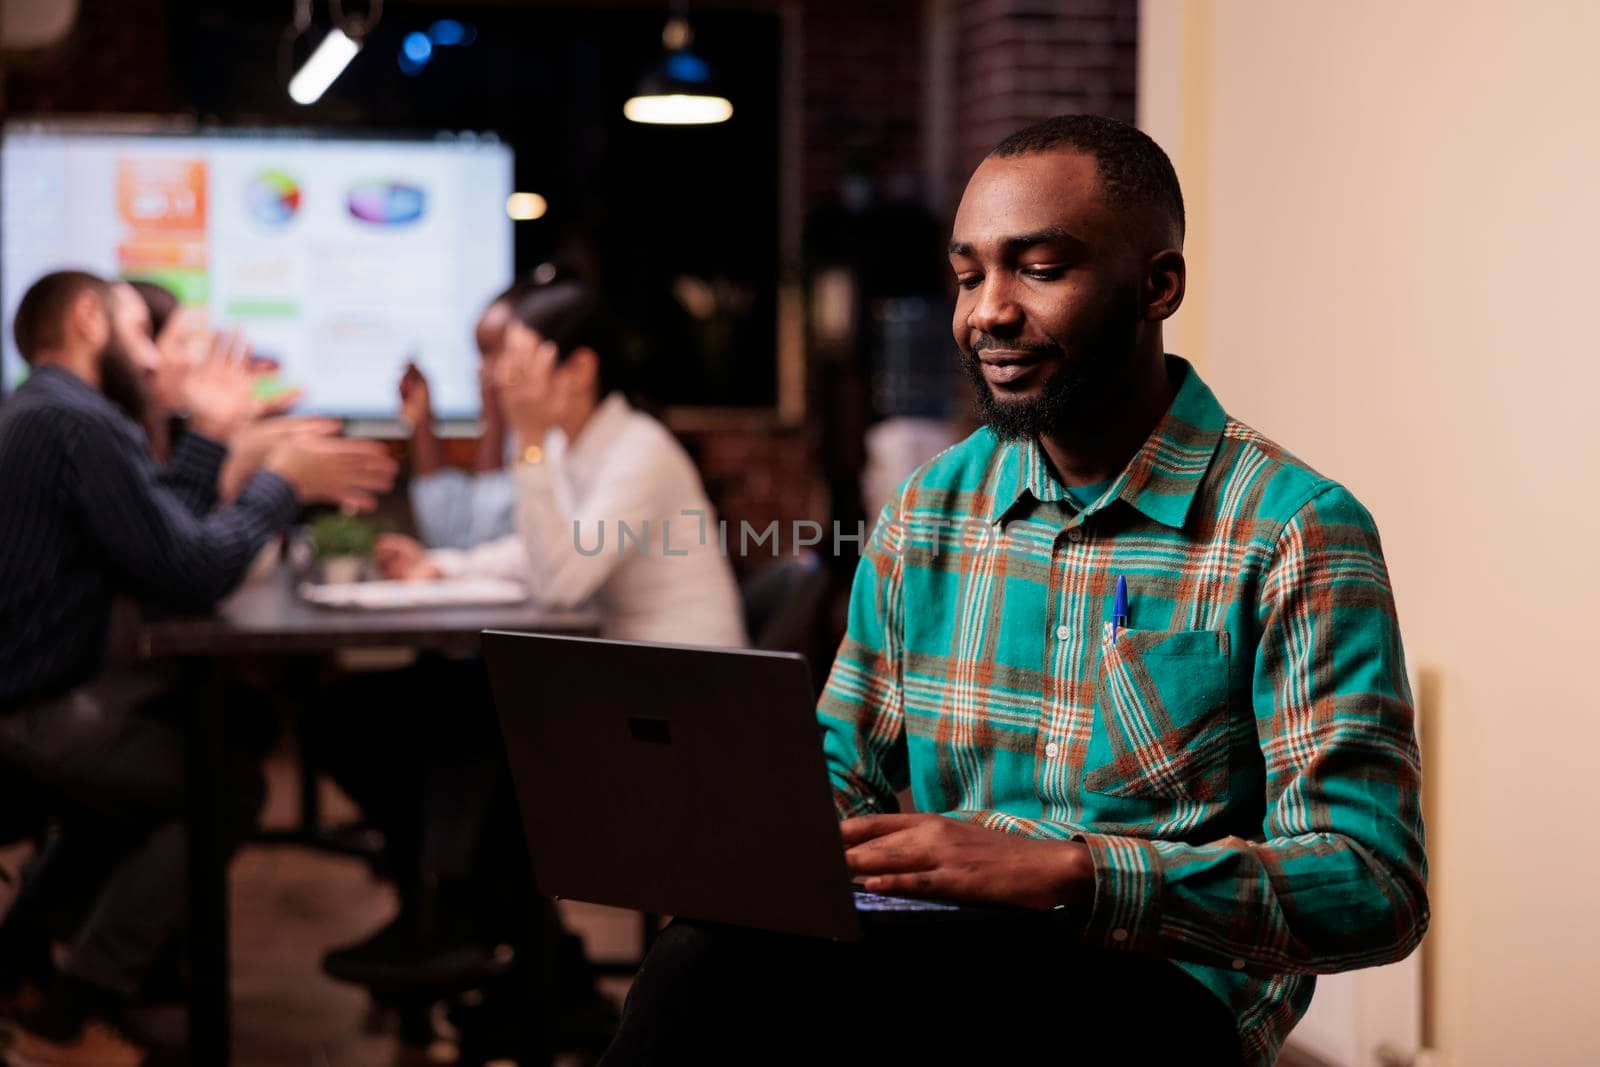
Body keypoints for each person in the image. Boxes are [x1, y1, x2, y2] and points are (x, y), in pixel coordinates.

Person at [603, 115, 1429, 1066]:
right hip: (932, 950)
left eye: (1038, 268)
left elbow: (1374, 884)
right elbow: (843, 770)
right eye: (967, 275)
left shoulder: (1294, 529)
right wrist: (751, 838)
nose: (986, 312)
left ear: (1158, 286)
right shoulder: (932, 505)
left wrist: (1073, 872)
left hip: (1150, 982)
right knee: (698, 965)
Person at [0, 270, 397, 1064]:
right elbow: (190, 569)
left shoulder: (51, 413)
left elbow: (163, 547)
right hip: (35, 707)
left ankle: (21, 974)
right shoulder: (77, 421)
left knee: (197, 751)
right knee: (224, 784)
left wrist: (216, 436)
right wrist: (282, 483)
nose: (150, 360)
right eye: (142, 334)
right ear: (87, 318)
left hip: (39, 696)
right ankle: (75, 1010)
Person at [376, 279, 747, 648]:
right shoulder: (564, 446)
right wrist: (442, 565)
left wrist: (529, 442)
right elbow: (538, 551)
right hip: (632, 665)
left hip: (691, 676)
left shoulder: (640, 450)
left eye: (519, 362)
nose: (501, 378)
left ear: (580, 369)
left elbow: (559, 587)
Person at [401, 279, 538, 551]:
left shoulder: (551, 441)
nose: (482, 371)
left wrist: (495, 423)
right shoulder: (512, 440)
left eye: (493, 353)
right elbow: (452, 538)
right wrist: (423, 424)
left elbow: (489, 540)